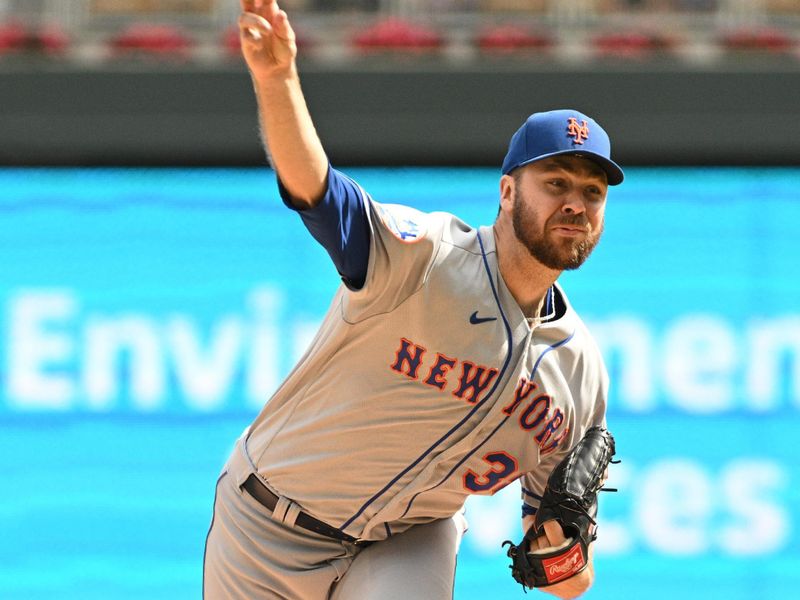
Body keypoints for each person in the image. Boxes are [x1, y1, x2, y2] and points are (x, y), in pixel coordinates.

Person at [203, 1, 624, 598]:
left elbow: (564, 575)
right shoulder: (424, 256)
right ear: (507, 192)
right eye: (555, 183)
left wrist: (560, 556)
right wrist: (278, 80)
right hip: (269, 524)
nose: (576, 204)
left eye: (592, 191)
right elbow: (318, 193)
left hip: (411, 535)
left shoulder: (578, 370)